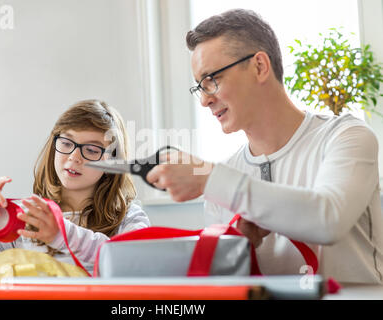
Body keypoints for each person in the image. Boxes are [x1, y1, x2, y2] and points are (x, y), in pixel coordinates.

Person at [147, 9, 383, 283]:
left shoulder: (346, 136)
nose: (204, 100)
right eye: (200, 86)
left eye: (212, 79)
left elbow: (328, 219)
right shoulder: (225, 174)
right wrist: (238, 246)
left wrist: (210, 178)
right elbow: (224, 283)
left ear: (259, 66)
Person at [0, 99, 150, 273]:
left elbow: (134, 264)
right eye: (66, 143)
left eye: (92, 150)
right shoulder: (25, 219)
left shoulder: (129, 217)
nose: (74, 157)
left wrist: (60, 234)